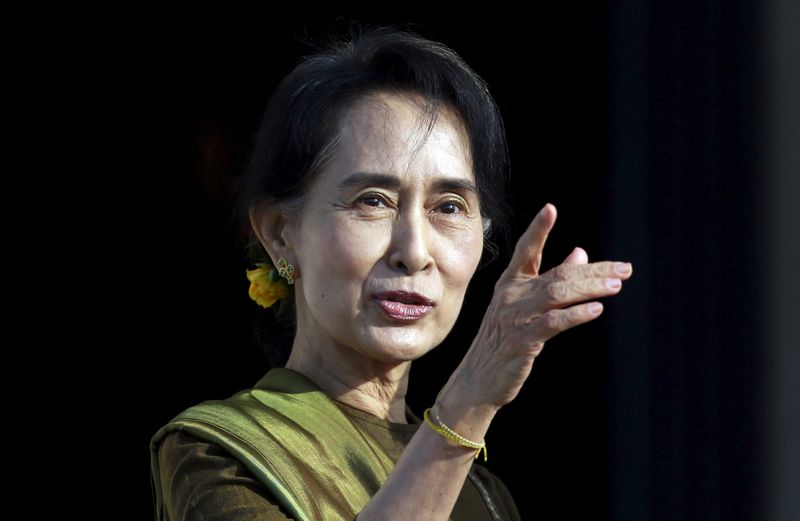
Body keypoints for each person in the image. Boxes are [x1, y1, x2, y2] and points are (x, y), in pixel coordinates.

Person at [149, 24, 633, 521]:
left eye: (449, 206)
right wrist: (470, 397)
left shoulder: (484, 494)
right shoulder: (220, 454)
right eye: (373, 201)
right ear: (279, 232)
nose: (414, 252)